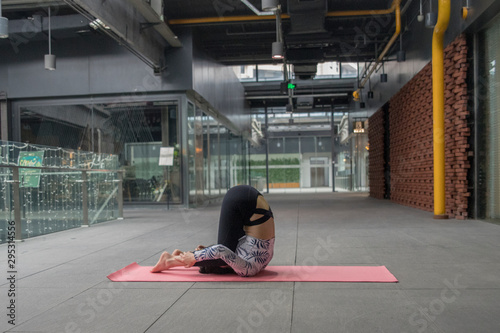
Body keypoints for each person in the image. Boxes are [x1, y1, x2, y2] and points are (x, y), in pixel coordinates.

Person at [151, 185, 275, 277]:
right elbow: (221, 251)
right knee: (222, 256)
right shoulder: (246, 269)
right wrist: (195, 256)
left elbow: (227, 249)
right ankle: (169, 261)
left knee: (223, 253)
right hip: (241, 201)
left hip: (252, 199)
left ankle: (173, 258)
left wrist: (200, 253)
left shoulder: (261, 263)